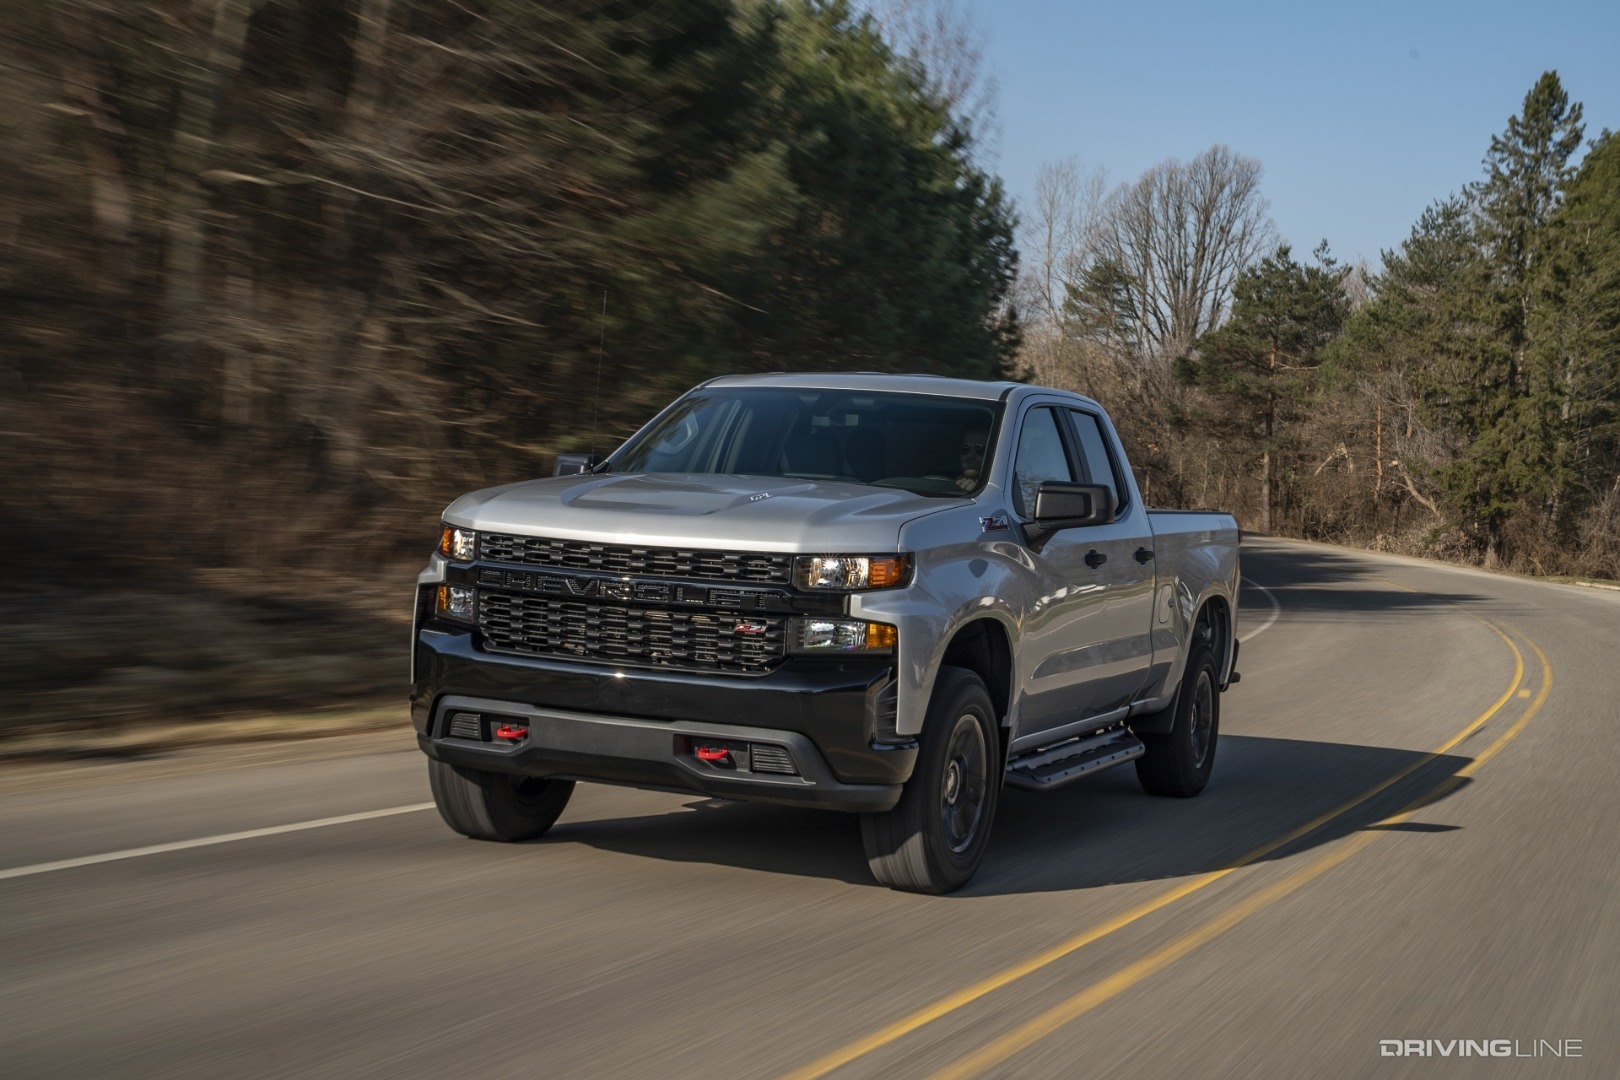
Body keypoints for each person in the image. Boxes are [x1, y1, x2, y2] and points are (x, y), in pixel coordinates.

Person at [957, 426, 989, 490]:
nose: (971, 455)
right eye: (965, 449)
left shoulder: (996, 490)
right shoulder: (946, 487)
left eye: (979, 450)